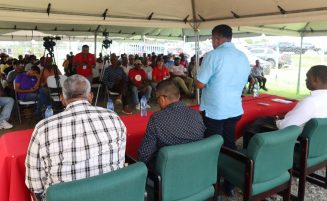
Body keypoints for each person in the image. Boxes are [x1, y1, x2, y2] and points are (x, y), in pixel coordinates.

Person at [25, 75, 127, 201]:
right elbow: (120, 163)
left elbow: (34, 184)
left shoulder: (42, 128)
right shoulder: (114, 118)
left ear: (62, 99)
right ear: (90, 96)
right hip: (112, 195)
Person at [195, 24, 250, 197]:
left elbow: (200, 83)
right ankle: (230, 184)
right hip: (234, 108)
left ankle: (212, 186)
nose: (212, 42)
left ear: (217, 38)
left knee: (212, 147)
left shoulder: (213, 56)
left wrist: (195, 77)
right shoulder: (243, 57)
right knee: (230, 144)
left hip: (215, 110)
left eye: (212, 39)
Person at [243, 65, 327, 147]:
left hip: (298, 145)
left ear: (315, 80)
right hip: (319, 144)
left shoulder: (310, 102)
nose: (306, 80)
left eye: (307, 77)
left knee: (255, 124)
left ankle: (249, 156)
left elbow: (285, 126)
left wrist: (277, 120)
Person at [138, 79, 205, 166]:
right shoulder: (196, 114)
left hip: (169, 170)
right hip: (198, 165)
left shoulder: (157, 119)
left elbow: (144, 155)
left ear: (162, 99)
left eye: (157, 99)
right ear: (179, 95)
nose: (158, 102)